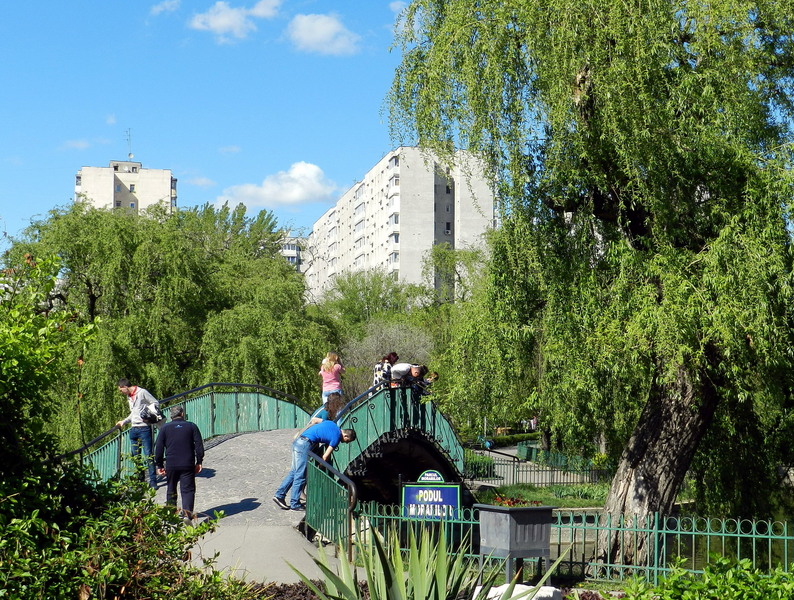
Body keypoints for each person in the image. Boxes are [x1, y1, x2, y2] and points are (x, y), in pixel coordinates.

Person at [273, 420, 356, 511]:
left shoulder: (332, 424)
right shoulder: (336, 437)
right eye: (347, 441)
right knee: (301, 475)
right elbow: (325, 456)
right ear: (345, 435)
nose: (346, 443)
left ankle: (279, 495)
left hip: (299, 441)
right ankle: (294, 503)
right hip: (305, 445)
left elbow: (316, 420)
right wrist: (320, 466)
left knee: (294, 472)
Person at [155, 405, 204, 518]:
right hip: (187, 463)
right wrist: (199, 461)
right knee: (188, 490)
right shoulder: (191, 426)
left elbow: (159, 448)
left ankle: (171, 515)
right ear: (182, 414)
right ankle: (187, 514)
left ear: (171, 416)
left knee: (171, 489)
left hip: (171, 463)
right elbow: (199, 446)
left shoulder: (165, 428)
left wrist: (159, 465)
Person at [115, 378, 160, 488]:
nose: (121, 392)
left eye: (121, 390)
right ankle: (141, 480)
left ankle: (153, 481)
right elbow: (133, 413)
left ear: (125, 387)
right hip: (133, 429)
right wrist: (124, 421)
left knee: (148, 455)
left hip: (144, 428)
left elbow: (155, 403)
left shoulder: (142, 392)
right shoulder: (129, 397)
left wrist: (148, 414)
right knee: (136, 456)